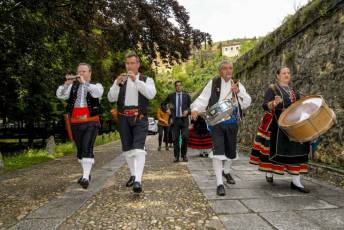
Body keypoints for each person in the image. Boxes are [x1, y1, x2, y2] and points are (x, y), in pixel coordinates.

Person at [191, 61, 251, 196]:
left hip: (232, 122)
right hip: (216, 122)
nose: (228, 71)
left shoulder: (236, 84)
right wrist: (195, 109)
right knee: (218, 152)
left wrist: (239, 92)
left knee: (231, 151)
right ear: (220, 71)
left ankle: (227, 171)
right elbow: (202, 99)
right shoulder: (213, 82)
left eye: (230, 68)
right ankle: (219, 183)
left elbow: (247, 102)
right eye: (225, 69)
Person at [249, 66, 310, 193]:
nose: (286, 75)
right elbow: (265, 105)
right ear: (278, 76)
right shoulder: (273, 89)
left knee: (296, 150)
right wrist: (274, 103)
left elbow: (298, 106)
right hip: (276, 124)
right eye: (283, 73)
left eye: (288, 73)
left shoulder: (294, 91)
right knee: (273, 151)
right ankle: (269, 172)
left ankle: (296, 182)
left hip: (292, 125)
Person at [108, 51, 156, 193]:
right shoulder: (120, 80)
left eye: (132, 63)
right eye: (127, 63)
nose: (129, 66)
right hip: (123, 117)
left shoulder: (147, 79)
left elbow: (151, 94)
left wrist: (136, 80)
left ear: (138, 64)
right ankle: (134, 174)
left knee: (139, 149)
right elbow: (111, 98)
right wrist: (116, 84)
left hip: (139, 117)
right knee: (128, 150)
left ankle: (138, 181)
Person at [56, 63, 104, 189]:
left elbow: (97, 93)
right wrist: (67, 83)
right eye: (79, 71)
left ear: (90, 73)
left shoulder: (96, 86)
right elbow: (60, 95)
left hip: (91, 122)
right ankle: (86, 175)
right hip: (75, 123)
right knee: (80, 150)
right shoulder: (72, 87)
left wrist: (85, 83)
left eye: (84, 71)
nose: (81, 73)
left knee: (87, 146)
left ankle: (85, 177)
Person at [164, 81, 191, 162]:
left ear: (182, 86)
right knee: (175, 139)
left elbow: (192, 106)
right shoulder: (171, 96)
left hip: (184, 120)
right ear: (175, 87)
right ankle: (176, 157)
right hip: (175, 120)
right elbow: (163, 104)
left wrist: (188, 111)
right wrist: (167, 109)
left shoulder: (186, 96)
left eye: (180, 85)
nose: (178, 87)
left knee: (185, 137)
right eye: (177, 86)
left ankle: (184, 155)